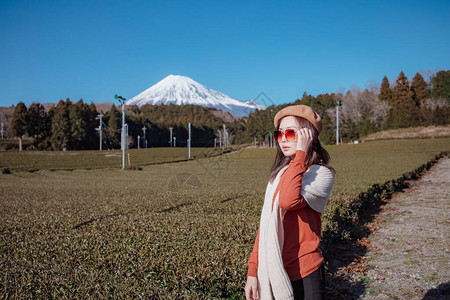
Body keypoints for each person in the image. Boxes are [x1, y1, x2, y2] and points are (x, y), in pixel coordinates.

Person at [244, 105, 335, 300]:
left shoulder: (321, 174)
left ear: (308, 135)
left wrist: (301, 155)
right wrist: (253, 271)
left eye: (291, 133)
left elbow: (287, 201)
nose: (284, 138)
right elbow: (265, 226)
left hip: (306, 271)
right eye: (280, 133)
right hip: (275, 268)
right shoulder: (280, 175)